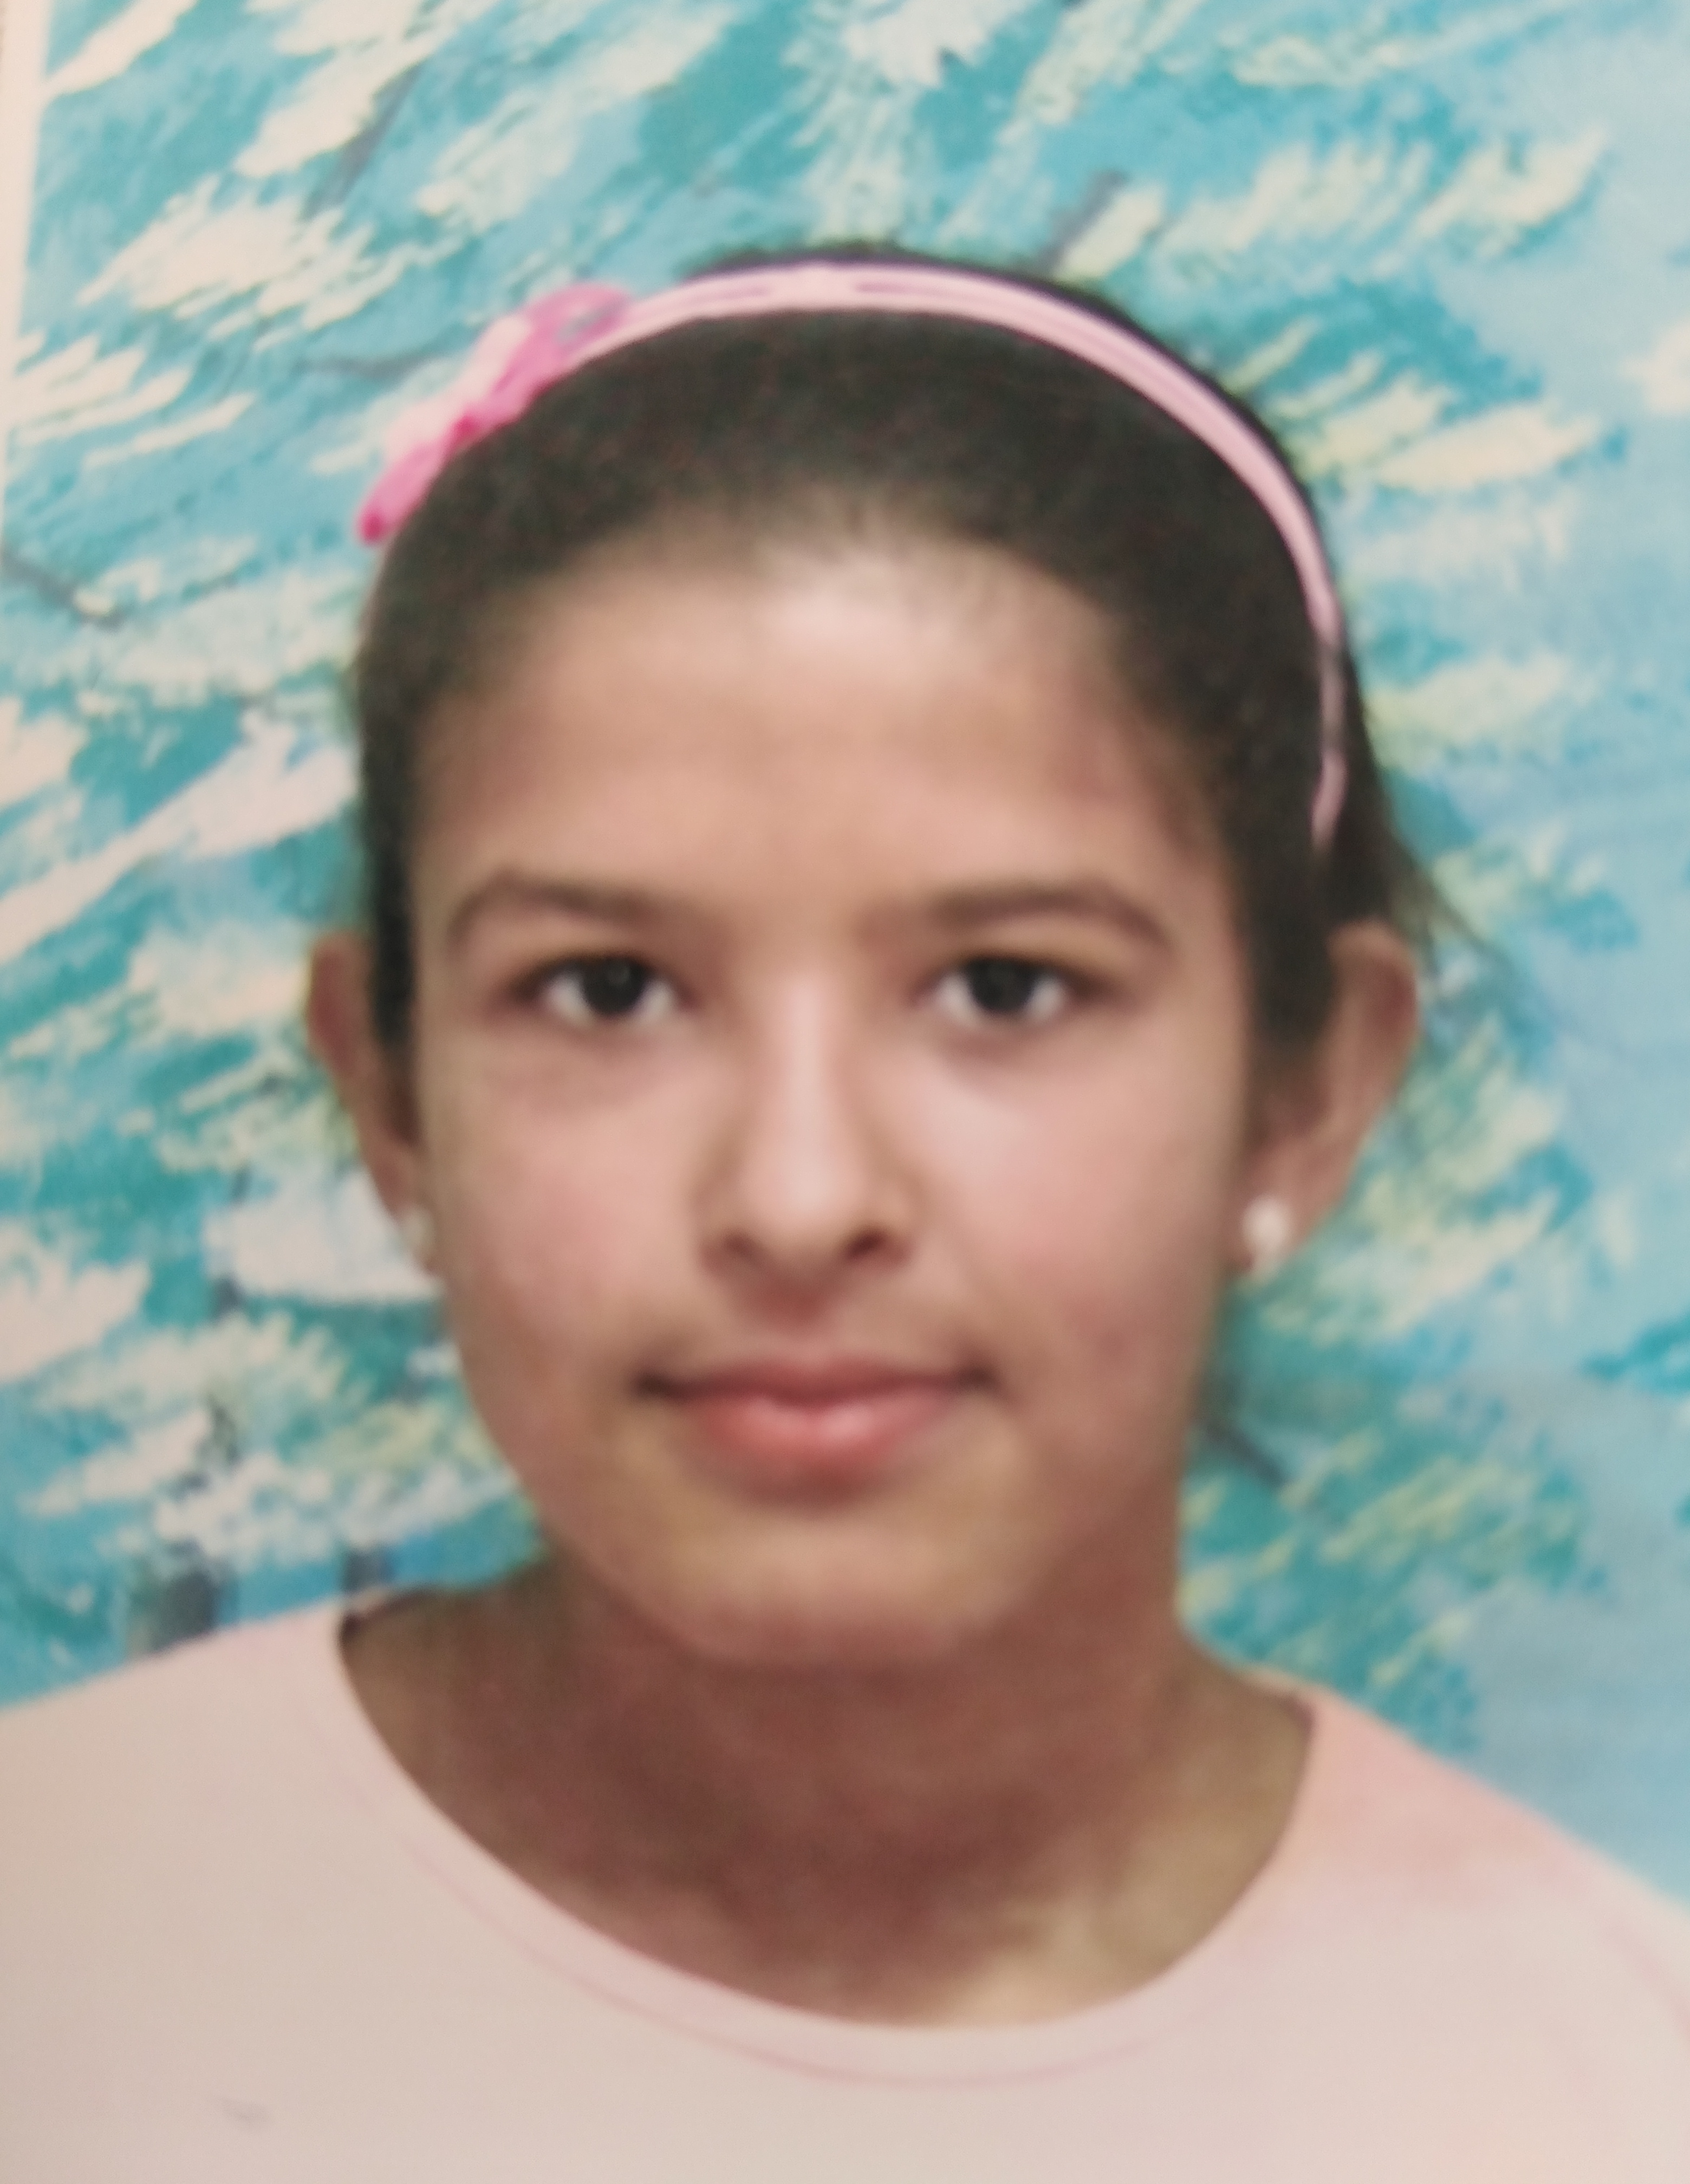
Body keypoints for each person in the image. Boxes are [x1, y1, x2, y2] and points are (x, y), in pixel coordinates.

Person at [3, 251, 1688, 2180]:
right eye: (608, 990)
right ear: (391, 1098)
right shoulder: (59, 1953)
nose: (800, 1199)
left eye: (1005, 988)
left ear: (1303, 1098)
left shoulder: (1598, 2092)